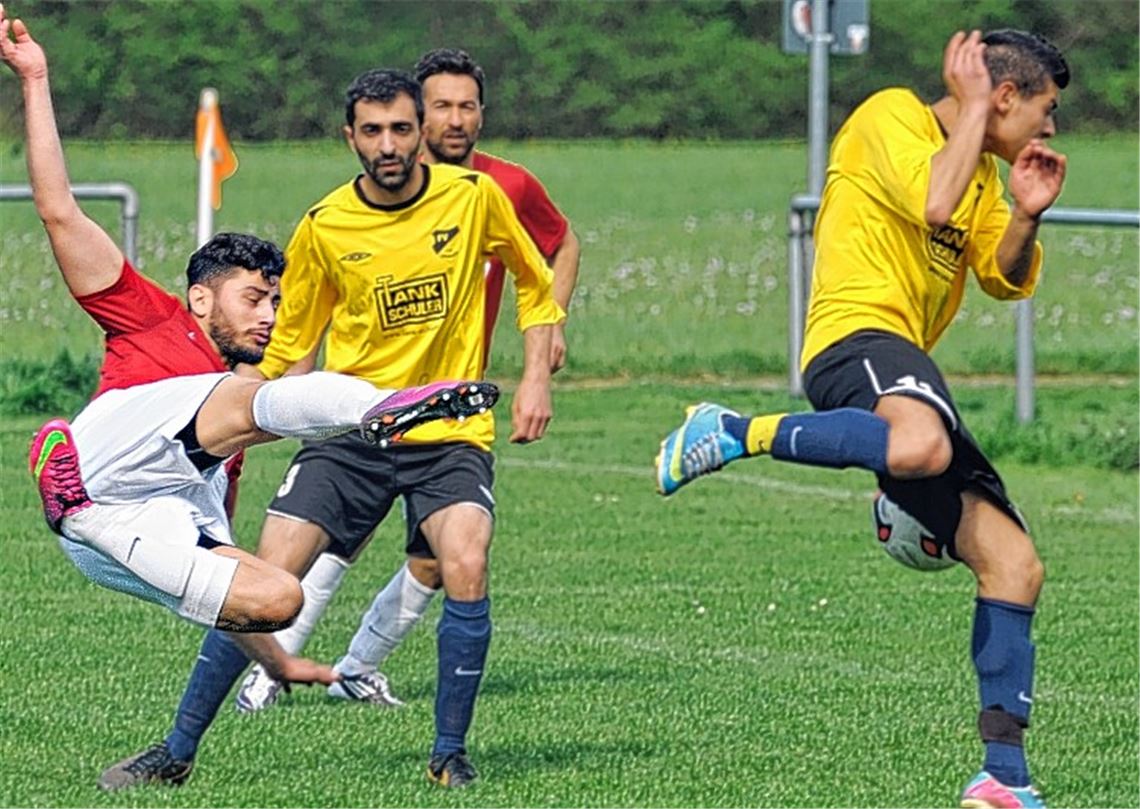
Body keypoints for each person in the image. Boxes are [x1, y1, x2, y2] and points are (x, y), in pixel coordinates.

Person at [1, 5, 497, 788]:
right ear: (201, 298)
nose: (269, 315)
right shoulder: (148, 316)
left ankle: (170, 754)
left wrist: (287, 662)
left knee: (275, 594)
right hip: (101, 459)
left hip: (122, 528)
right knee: (245, 397)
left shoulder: (229, 442)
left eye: (276, 301)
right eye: (253, 298)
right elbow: (59, 209)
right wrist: (35, 80)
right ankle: (376, 409)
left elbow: (239, 608)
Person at [101, 66, 565, 790]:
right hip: (350, 436)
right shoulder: (323, 226)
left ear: (421, 133)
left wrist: (536, 373)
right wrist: (236, 417)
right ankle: (176, 750)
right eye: (372, 130)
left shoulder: (474, 199)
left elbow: (536, 283)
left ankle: (449, 754)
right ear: (350, 136)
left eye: (401, 129)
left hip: (448, 431)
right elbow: (287, 346)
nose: (388, 145)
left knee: (466, 560)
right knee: (258, 580)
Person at [655, 29, 1067, 809]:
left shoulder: (983, 172)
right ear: (1003, 96)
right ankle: (735, 429)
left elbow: (1005, 281)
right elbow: (932, 201)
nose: (1048, 131)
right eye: (1044, 113)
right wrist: (973, 108)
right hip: (855, 338)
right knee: (918, 443)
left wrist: (1027, 214)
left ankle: (1002, 777)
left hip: (907, 369)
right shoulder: (892, 117)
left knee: (1014, 563)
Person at [235, 47, 581, 715]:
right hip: (367, 409)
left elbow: (555, 250)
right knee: (325, 543)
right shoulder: (336, 217)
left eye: (465, 105)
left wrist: (545, 343)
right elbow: (298, 331)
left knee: (438, 557)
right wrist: (270, 403)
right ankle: (269, 673)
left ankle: (357, 668)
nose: (453, 119)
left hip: (451, 409)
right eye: (441, 105)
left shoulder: (495, 190)